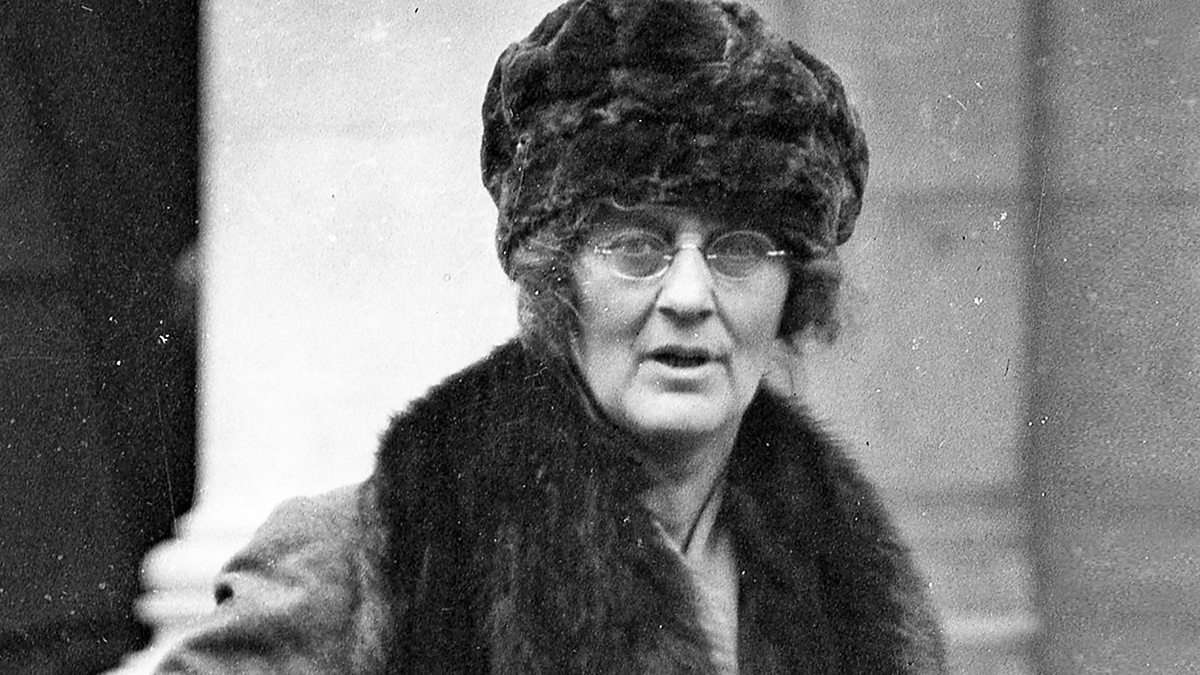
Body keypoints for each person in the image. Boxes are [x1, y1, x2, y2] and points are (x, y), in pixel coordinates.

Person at [156, 0, 946, 671]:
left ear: (793, 291)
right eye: (636, 245)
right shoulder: (367, 565)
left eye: (739, 248)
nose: (689, 296)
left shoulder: (863, 601)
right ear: (558, 282)